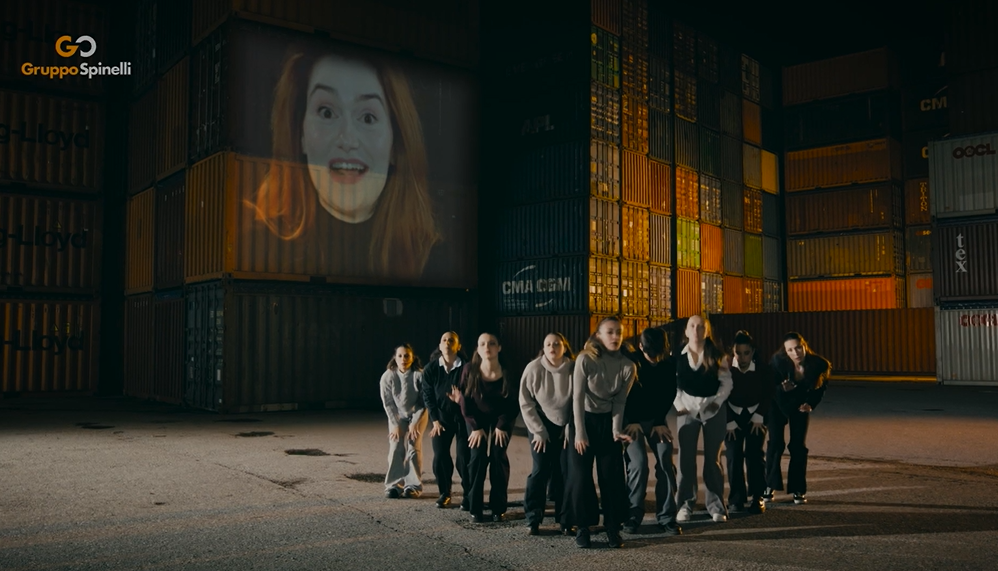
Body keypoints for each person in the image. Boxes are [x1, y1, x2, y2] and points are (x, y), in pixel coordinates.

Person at [247, 42, 440, 281]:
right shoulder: (257, 249)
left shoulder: (433, 258)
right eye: (327, 112)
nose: (347, 140)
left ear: (395, 145)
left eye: (367, 118)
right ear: (301, 135)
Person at [564, 316, 635, 549]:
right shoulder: (585, 359)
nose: (615, 336)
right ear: (598, 336)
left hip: (607, 422)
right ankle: (583, 527)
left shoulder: (628, 366)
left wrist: (616, 430)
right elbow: (577, 397)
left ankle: (613, 528)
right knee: (580, 476)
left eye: (619, 332)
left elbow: (620, 402)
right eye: (610, 332)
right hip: (583, 420)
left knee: (611, 476)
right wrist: (580, 432)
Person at [621, 328, 681, 536]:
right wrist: (633, 420)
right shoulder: (631, 363)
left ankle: (667, 517)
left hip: (657, 420)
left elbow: (669, 393)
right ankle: (633, 515)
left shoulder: (668, 363)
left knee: (666, 460)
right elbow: (624, 395)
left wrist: (658, 421)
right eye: (649, 354)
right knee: (638, 464)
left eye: (658, 354)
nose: (654, 358)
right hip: (632, 421)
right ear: (640, 347)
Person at [674, 314, 733, 524]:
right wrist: (680, 406)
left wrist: (717, 402)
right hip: (687, 410)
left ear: (707, 331)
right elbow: (673, 385)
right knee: (685, 459)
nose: (696, 330)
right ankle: (684, 505)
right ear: (686, 331)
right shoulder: (677, 356)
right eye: (692, 326)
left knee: (713, 459)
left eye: (701, 327)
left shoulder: (718, 355)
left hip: (713, 410)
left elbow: (726, 382)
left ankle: (716, 506)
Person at [454, 333, 518, 523]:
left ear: (499, 347)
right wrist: (475, 426)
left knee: (498, 457)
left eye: (491, 343)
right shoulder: (470, 369)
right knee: (477, 457)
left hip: (502, 417)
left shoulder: (508, 370)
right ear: (478, 348)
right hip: (476, 417)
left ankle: (498, 508)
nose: (487, 347)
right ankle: (475, 507)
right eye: (482, 344)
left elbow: (514, 402)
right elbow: (464, 400)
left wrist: (502, 425)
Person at [765, 332, 832, 505]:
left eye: (798, 348)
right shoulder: (777, 362)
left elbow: (821, 387)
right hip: (776, 404)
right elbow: (768, 387)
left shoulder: (818, 365)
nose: (795, 353)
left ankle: (798, 489)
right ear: (785, 351)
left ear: (804, 346)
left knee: (798, 446)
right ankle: (769, 485)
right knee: (776, 444)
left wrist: (811, 404)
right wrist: (781, 389)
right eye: (790, 350)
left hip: (799, 405)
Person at [519, 333, 575, 536]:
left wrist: (570, 426)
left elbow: (579, 400)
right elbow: (525, 401)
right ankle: (533, 517)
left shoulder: (573, 368)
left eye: (557, 344)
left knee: (564, 471)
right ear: (543, 348)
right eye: (548, 344)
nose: (552, 347)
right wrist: (538, 430)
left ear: (564, 347)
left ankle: (566, 519)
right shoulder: (533, 368)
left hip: (566, 424)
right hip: (540, 422)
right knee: (540, 469)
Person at [725, 330, 775, 515]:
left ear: (753, 351)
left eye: (746, 353)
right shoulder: (726, 370)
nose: (742, 357)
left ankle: (757, 497)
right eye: (738, 353)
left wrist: (759, 415)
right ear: (733, 352)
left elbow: (769, 394)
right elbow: (720, 396)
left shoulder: (763, 369)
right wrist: (729, 420)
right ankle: (736, 499)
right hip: (733, 418)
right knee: (733, 456)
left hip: (756, 418)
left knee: (754, 455)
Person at [421, 331, 470, 509]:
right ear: (440, 346)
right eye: (444, 340)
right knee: (440, 455)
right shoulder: (431, 369)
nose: (447, 343)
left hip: (464, 418)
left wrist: (462, 399)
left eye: (451, 340)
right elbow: (428, 396)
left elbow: (473, 393)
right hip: (441, 418)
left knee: (464, 458)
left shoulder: (467, 367)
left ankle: (468, 494)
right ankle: (445, 493)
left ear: (458, 346)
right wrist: (434, 420)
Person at [379, 343, 428, 498]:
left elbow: (423, 402)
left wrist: (414, 423)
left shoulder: (419, 375)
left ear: (412, 358)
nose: (403, 359)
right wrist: (395, 424)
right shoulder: (388, 376)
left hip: (417, 413)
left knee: (414, 446)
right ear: (395, 358)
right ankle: (394, 485)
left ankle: (413, 486)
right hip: (398, 415)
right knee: (395, 446)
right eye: (400, 356)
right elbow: (388, 403)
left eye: (407, 356)